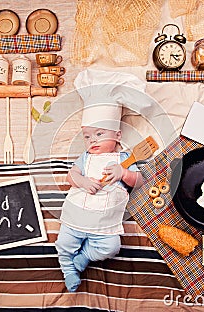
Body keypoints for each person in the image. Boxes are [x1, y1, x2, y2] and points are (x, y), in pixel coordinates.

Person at [55, 69, 146, 292]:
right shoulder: (85, 157)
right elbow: (70, 176)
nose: (91, 141)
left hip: (105, 224)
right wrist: (83, 182)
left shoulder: (125, 158)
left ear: (117, 135)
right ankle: (67, 268)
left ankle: (84, 257)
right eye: (87, 136)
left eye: (99, 134)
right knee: (64, 244)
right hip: (76, 216)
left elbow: (140, 181)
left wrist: (124, 174)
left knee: (111, 248)